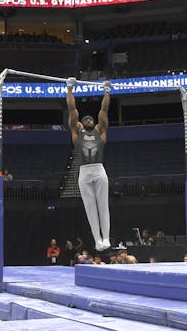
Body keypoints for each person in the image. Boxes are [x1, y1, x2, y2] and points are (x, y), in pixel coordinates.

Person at [66, 77, 112, 252]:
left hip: (99, 170)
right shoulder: (77, 132)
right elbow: (72, 109)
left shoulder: (101, 130)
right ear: (80, 124)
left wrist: (107, 91)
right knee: (90, 208)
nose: (87, 120)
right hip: (84, 172)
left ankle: (106, 237)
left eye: (89, 119)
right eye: (84, 120)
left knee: (102, 205)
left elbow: (104, 109)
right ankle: (97, 240)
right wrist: (70, 89)